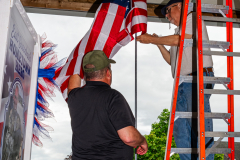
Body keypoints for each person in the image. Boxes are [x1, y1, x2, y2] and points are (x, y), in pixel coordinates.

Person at [136, 0, 214, 159]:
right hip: (183, 81)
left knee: (198, 127)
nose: (167, 16)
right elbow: (173, 60)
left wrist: (153, 40)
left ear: (179, 5)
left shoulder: (192, 18)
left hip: (196, 78)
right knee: (180, 128)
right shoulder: (179, 31)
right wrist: (158, 44)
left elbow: (181, 40)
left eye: (168, 11)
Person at [67, 50, 148, 160]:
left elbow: (72, 84)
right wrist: (142, 140)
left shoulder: (74, 97)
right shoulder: (113, 97)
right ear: (108, 73)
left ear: (85, 75)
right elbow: (128, 138)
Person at [2, 85, 23, 160]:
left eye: (17, 97)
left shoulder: (19, 116)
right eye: (15, 96)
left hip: (15, 153)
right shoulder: (6, 112)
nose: (16, 100)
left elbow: (21, 138)